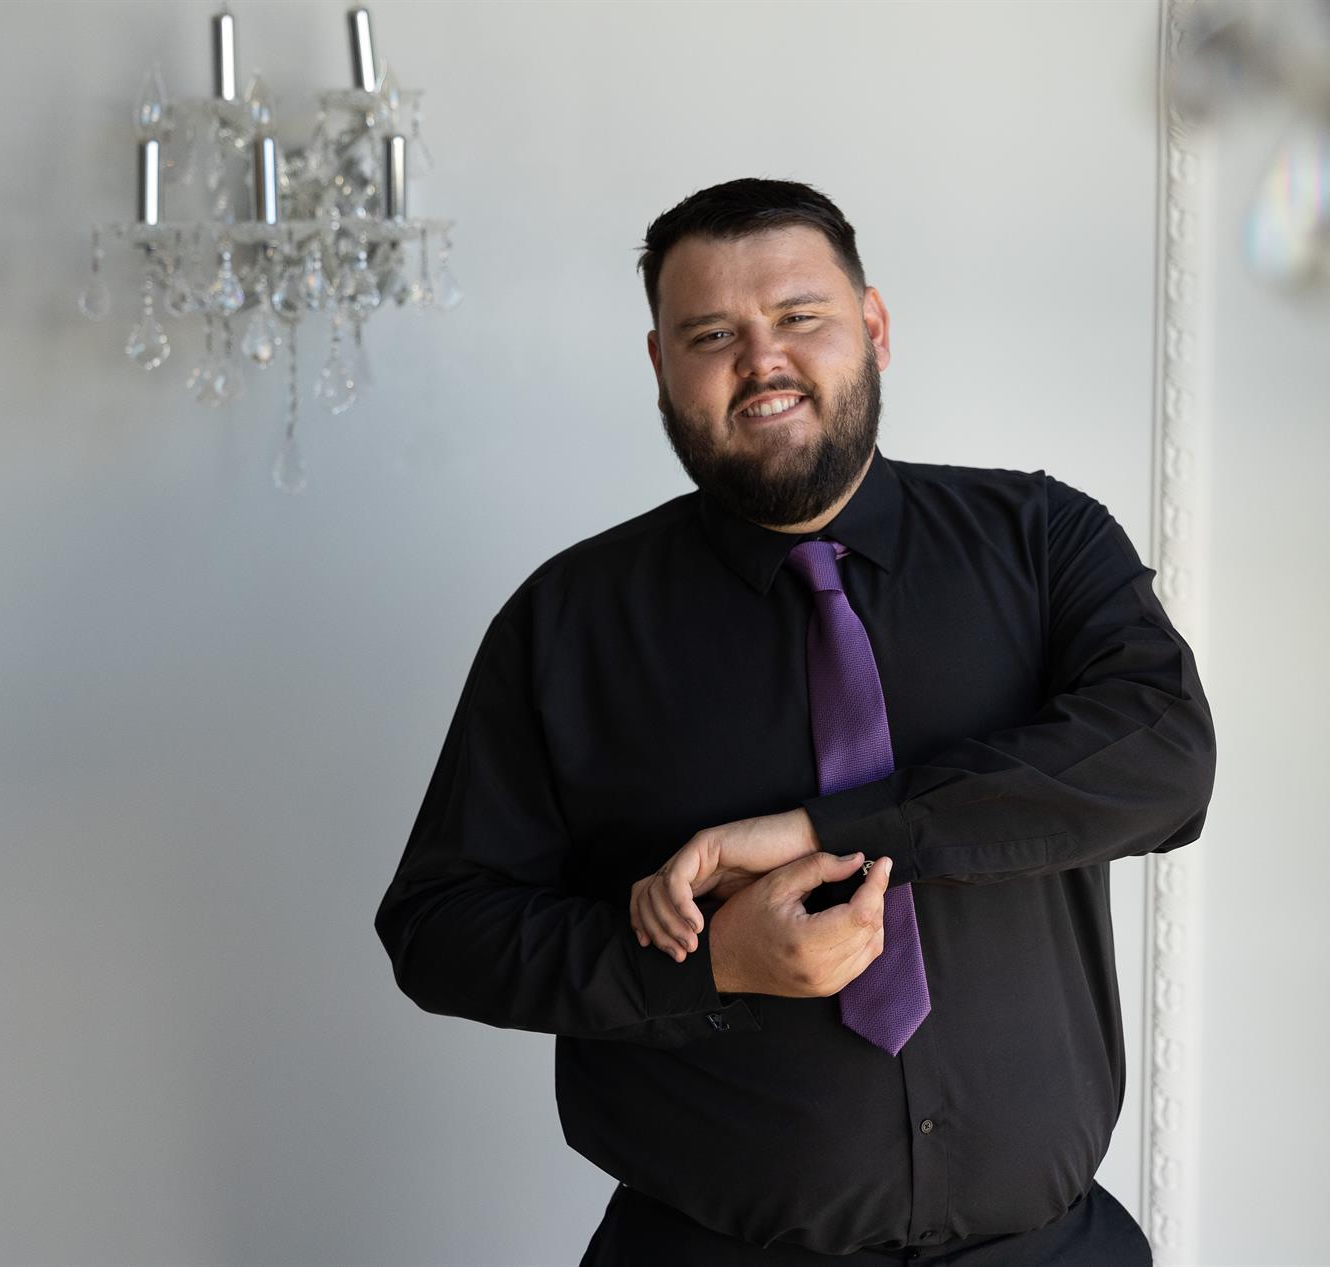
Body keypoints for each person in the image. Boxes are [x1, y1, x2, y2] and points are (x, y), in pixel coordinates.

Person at [375, 177, 1216, 1265]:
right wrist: (705, 963)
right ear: (661, 366)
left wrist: (826, 831)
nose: (761, 361)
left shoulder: (1044, 542)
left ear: (874, 326)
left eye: (799, 317)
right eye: (712, 334)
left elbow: (1164, 758)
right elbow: (440, 929)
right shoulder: (566, 623)